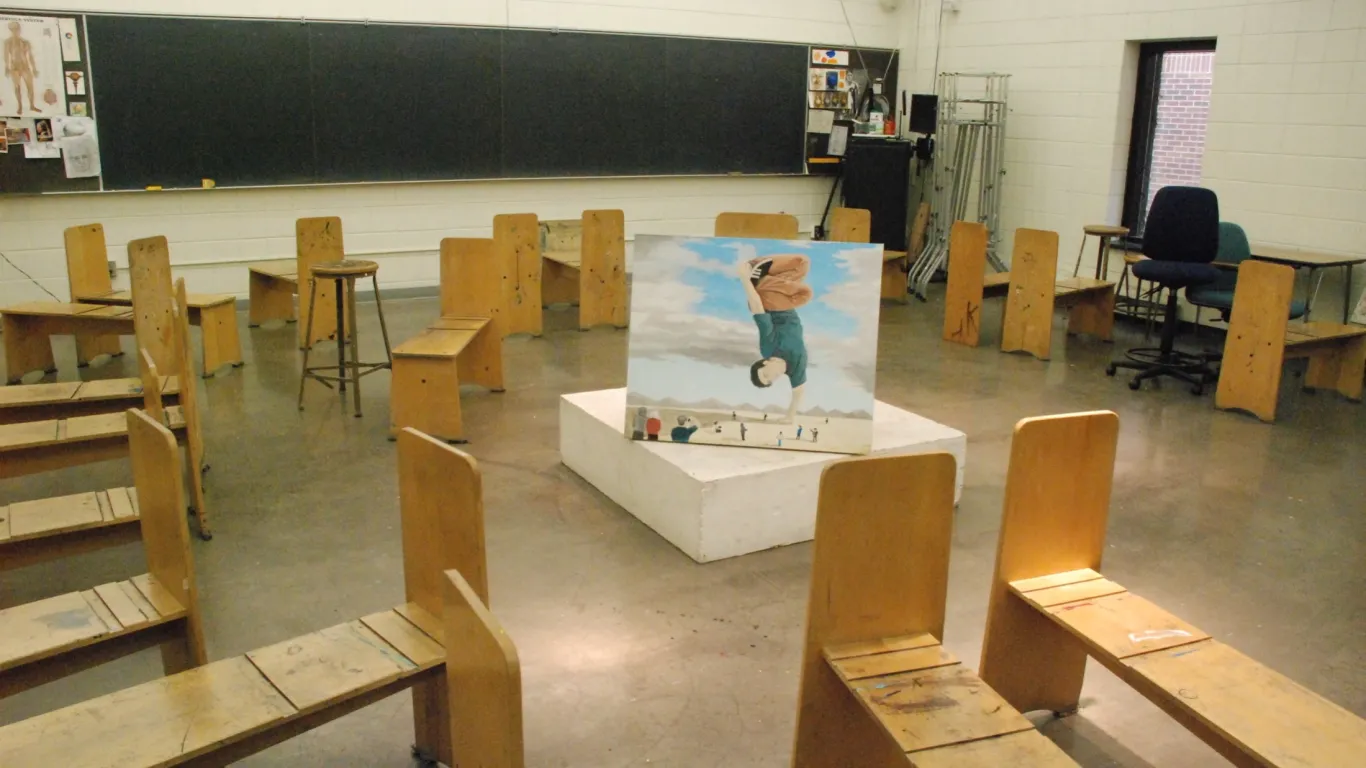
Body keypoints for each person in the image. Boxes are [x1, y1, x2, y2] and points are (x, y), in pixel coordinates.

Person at [738, 254, 810, 423]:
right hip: (788, 303)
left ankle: (757, 272)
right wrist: (789, 417)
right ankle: (764, 277)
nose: (772, 378)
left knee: (802, 264)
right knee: (803, 291)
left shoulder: (768, 348)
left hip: (771, 302)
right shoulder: (795, 368)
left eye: (765, 375)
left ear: (765, 362)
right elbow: (798, 393)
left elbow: (758, 310)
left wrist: (744, 280)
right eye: (770, 381)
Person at [4, 22, 41, 115]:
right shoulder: (7, 42)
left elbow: (30, 55)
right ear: (11, 31)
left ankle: (32, 105)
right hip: (14, 67)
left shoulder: (25, 42)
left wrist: (34, 68)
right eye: (13, 30)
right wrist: (7, 67)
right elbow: (5, 55)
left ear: (19, 30)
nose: (15, 31)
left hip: (25, 67)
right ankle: (20, 106)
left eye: (17, 29)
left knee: (30, 87)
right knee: (17, 87)